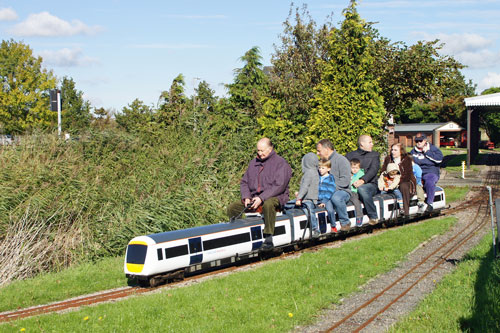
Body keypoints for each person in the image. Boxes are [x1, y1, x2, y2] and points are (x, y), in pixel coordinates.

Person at [227, 138, 292, 249]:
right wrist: (246, 197)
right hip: (254, 198)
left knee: (268, 204)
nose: (259, 153)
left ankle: (268, 238)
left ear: (270, 149)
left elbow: (279, 186)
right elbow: (244, 182)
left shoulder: (281, 163)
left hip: (276, 197)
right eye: (258, 150)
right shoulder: (253, 163)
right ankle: (239, 235)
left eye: (262, 151)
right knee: (232, 208)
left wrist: (262, 198)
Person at [316, 139, 352, 232]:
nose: (317, 153)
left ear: (327, 149)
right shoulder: (321, 163)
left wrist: (329, 189)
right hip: (326, 191)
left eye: (319, 151)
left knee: (336, 198)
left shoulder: (342, 160)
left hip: (342, 191)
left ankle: (345, 222)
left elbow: (345, 181)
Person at [346, 135, 380, 225]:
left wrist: (362, 180)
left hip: (370, 185)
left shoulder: (374, 155)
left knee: (362, 189)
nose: (372, 144)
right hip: (352, 185)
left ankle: (373, 216)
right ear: (362, 144)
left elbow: (374, 170)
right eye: (370, 142)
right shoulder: (350, 156)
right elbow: (344, 169)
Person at [380, 143, 416, 218]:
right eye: (392, 150)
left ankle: (405, 212)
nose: (393, 152)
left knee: (404, 187)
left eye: (395, 150)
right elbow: (383, 171)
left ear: (401, 151)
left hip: (404, 180)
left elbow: (407, 175)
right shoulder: (388, 159)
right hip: (389, 180)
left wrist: (395, 182)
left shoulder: (407, 159)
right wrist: (386, 181)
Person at [410, 133, 443, 213]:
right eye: (416, 141)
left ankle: (430, 203)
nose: (418, 142)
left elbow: (439, 160)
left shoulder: (433, 149)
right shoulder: (413, 152)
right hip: (418, 172)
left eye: (420, 141)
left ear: (425, 141)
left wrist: (427, 152)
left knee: (429, 181)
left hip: (430, 171)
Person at [295, 152, 320, 238]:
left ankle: (315, 229)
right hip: (310, 198)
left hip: (309, 199)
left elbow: (305, 187)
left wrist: (299, 198)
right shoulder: (315, 172)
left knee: (309, 211)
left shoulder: (308, 173)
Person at [317, 159, 336, 230]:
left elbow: (330, 191)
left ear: (328, 169)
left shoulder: (330, 178)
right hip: (317, 198)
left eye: (323, 168)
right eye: (319, 167)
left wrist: (324, 201)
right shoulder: (317, 177)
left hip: (326, 199)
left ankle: (333, 226)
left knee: (330, 210)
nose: (320, 170)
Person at [349, 159, 365, 227]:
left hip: (356, 191)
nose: (355, 170)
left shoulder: (361, 174)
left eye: (356, 168)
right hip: (350, 191)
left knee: (356, 202)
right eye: (353, 168)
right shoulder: (348, 174)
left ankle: (359, 217)